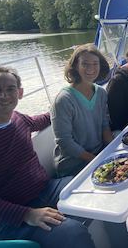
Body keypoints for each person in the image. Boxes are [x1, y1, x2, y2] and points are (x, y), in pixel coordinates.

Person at [0, 66, 94, 248]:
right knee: (72, 233)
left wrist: (69, 102)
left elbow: (45, 119)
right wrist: (27, 214)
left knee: (91, 186)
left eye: (10, 89)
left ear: (20, 93)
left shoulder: (17, 119)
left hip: (47, 189)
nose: (4, 96)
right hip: (10, 219)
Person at [51, 43, 113, 177]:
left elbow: (104, 124)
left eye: (95, 64)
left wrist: (114, 149)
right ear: (75, 66)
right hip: (74, 165)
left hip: (99, 153)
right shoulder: (64, 100)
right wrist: (96, 161)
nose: (91, 68)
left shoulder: (101, 93)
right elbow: (65, 141)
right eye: (85, 64)